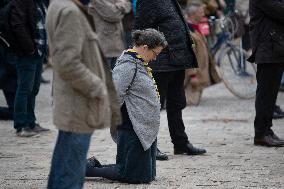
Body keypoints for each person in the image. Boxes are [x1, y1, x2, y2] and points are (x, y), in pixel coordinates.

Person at [46, 0, 121, 188]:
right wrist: (97, 86)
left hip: (74, 103)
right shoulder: (69, 11)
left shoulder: (62, 6)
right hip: (78, 104)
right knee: (71, 170)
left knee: (63, 164)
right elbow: (68, 63)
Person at [86, 29, 167, 183]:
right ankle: (86, 169)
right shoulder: (127, 64)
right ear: (144, 48)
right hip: (132, 125)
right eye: (155, 53)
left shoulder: (139, 62)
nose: (155, 58)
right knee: (134, 175)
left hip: (143, 126)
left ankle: (94, 165)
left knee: (148, 174)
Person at [134, 0, 207, 160]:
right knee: (153, 106)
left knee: (177, 103)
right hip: (160, 62)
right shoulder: (149, 2)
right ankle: (150, 146)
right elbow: (140, 31)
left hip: (176, 60)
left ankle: (180, 143)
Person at [9, 0, 50, 137]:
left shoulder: (39, 3)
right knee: (24, 89)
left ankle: (31, 122)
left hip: (38, 53)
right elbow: (17, 26)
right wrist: (30, 48)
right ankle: (21, 125)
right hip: (27, 53)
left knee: (33, 89)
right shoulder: (21, 2)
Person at [248, 0, 284, 147]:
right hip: (267, 48)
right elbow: (280, 11)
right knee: (266, 94)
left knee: (271, 95)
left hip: (274, 47)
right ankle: (261, 133)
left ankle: (267, 131)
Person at [184, 2, 221, 106]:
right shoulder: (188, 32)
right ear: (192, 14)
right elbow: (188, 56)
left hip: (199, 75)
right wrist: (192, 76)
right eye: (200, 12)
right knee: (189, 103)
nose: (203, 15)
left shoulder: (195, 28)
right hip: (192, 80)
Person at [89, 0, 131, 70]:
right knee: (106, 77)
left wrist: (117, 7)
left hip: (116, 45)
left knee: (115, 76)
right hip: (104, 47)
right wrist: (121, 7)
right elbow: (113, 15)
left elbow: (128, 4)